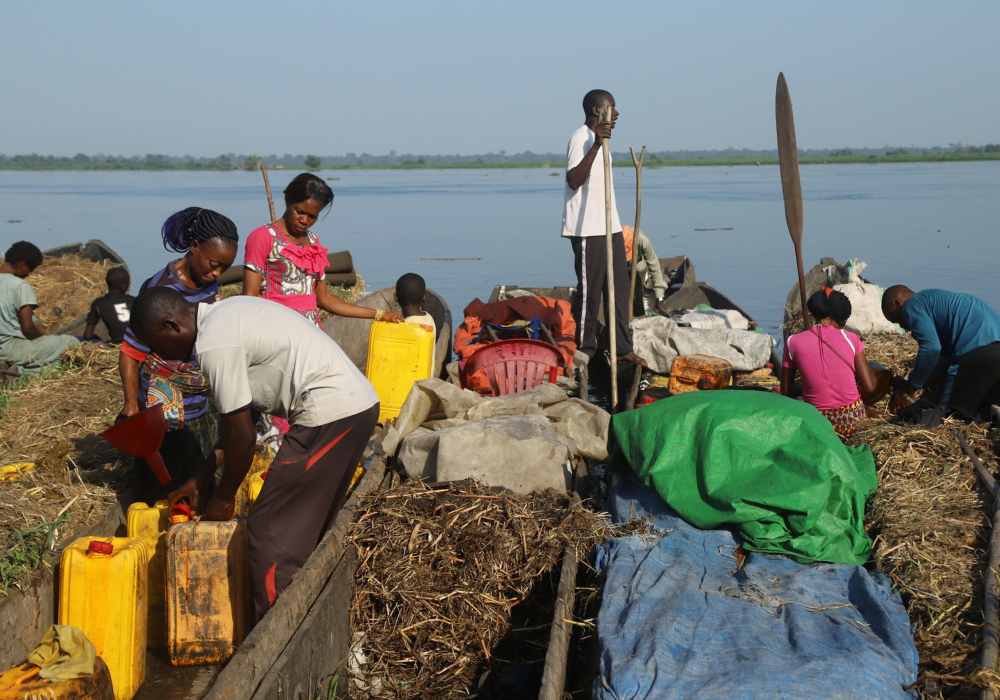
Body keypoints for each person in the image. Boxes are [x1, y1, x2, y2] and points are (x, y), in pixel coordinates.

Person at [129, 288, 379, 620]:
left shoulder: (213, 343)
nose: (169, 357)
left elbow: (243, 437)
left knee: (267, 530)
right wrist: (199, 480)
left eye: (160, 346)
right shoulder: (227, 313)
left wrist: (223, 497)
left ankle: (276, 629)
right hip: (355, 407)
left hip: (328, 414)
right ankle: (311, 611)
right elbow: (242, 422)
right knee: (310, 526)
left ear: (171, 325)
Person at [118, 208, 238, 503]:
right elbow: (131, 349)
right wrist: (131, 404)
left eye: (224, 268)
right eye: (213, 265)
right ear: (194, 246)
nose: (217, 274)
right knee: (165, 483)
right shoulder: (160, 289)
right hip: (165, 402)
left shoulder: (208, 281)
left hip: (201, 392)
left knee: (201, 474)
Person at [242, 172, 402, 327]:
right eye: (300, 212)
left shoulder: (313, 241)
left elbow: (324, 299)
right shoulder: (263, 237)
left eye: (312, 216)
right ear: (288, 200)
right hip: (275, 329)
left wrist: (379, 315)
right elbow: (249, 299)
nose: (304, 221)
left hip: (310, 331)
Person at [562, 89, 645, 367]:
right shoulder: (581, 138)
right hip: (588, 229)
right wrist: (596, 145)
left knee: (620, 290)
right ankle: (585, 349)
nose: (617, 113)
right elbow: (574, 180)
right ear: (597, 110)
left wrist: (601, 143)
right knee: (590, 292)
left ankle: (622, 347)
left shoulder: (602, 140)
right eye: (612, 107)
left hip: (609, 228)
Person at [882, 285, 1000, 420]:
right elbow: (950, 368)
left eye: (896, 319)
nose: (902, 326)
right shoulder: (941, 306)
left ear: (897, 303)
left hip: (975, 357)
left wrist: (909, 391)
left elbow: (931, 348)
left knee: (943, 419)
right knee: (980, 418)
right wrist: (909, 385)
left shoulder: (912, 304)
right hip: (995, 354)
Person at [781, 288, 878, 438]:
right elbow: (870, 387)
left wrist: (806, 387)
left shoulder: (792, 342)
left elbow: (786, 391)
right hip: (851, 422)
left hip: (817, 422)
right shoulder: (850, 339)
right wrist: (872, 374)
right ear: (840, 318)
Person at [0, 241, 80, 372]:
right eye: (30, 270)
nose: (28, 274)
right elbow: (27, 328)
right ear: (22, 265)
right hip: (11, 349)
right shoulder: (20, 286)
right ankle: (22, 372)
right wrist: (44, 340)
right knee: (70, 342)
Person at [622, 225, 668, 317]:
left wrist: (659, 298)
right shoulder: (611, 240)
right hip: (619, 266)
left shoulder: (643, 241)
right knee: (620, 298)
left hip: (638, 266)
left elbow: (654, 267)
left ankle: (639, 318)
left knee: (637, 297)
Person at [84, 266, 134, 344]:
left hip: (118, 347)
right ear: (123, 287)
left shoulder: (98, 303)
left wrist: (97, 339)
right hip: (139, 345)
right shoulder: (135, 301)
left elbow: (88, 335)